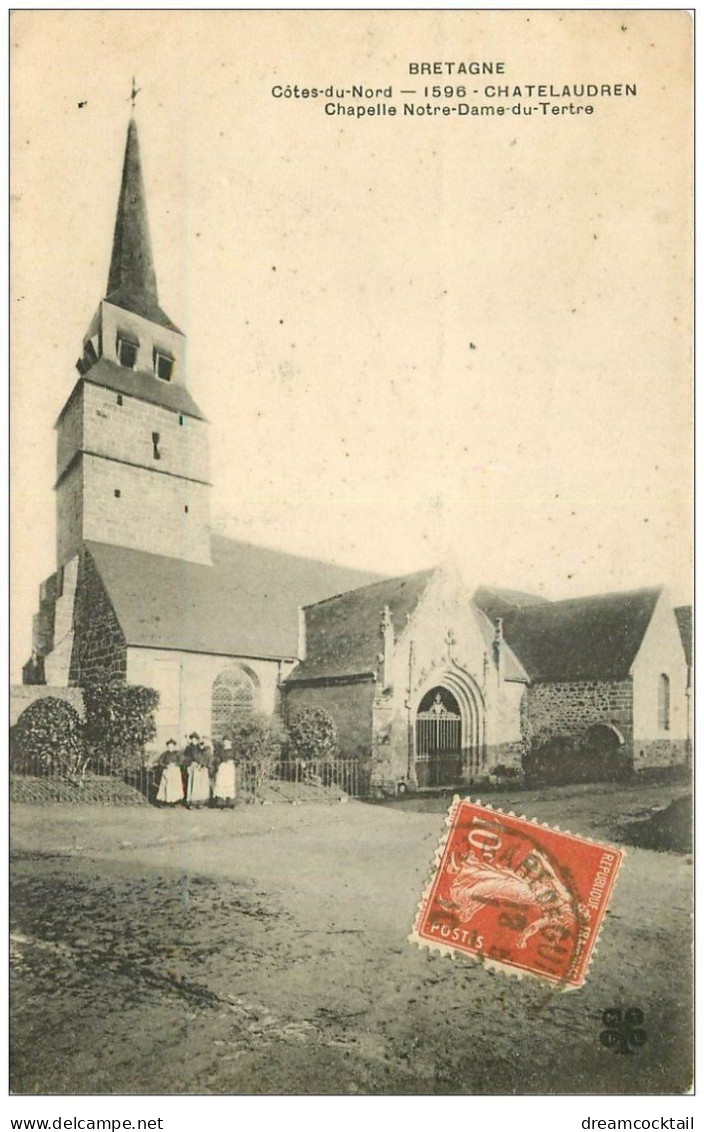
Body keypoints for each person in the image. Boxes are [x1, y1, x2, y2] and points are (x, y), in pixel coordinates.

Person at [156, 740, 184, 806]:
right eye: (169, 746)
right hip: (167, 770)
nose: (170, 747)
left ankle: (173, 801)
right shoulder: (164, 754)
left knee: (174, 786)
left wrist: (175, 764)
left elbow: (181, 762)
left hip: (175, 771)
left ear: (174, 746)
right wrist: (166, 765)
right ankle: (163, 801)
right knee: (165, 785)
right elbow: (160, 762)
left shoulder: (177, 754)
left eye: (172, 746)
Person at [186, 743, 212, 809]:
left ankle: (201, 802)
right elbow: (191, 758)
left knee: (202, 786)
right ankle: (193, 802)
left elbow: (208, 760)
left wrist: (203, 764)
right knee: (195, 785)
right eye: (200, 745)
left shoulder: (207, 751)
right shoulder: (194, 750)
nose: (201, 746)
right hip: (196, 768)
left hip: (203, 769)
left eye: (203, 745)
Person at [213, 740, 237, 809]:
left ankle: (230, 803)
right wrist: (219, 763)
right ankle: (221, 803)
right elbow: (217, 759)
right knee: (222, 783)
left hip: (230, 768)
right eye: (225, 742)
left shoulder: (233, 751)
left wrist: (232, 761)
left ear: (230, 743)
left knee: (230, 783)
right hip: (223, 768)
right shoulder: (221, 751)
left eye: (228, 742)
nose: (226, 744)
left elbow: (237, 759)